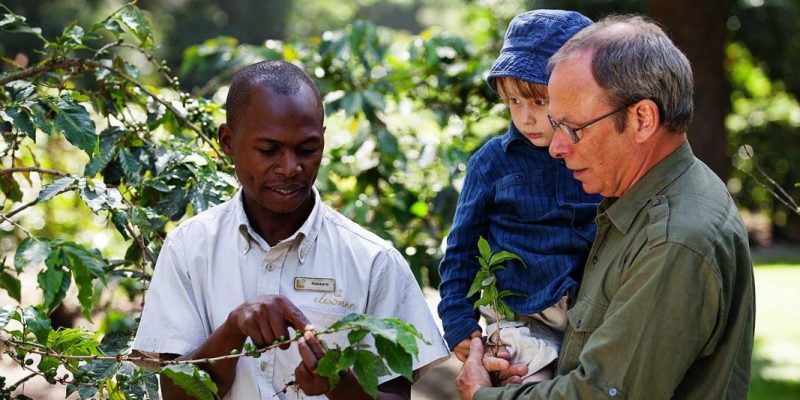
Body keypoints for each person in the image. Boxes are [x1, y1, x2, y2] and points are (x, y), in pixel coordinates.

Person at [457, 15, 755, 399]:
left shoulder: (674, 241)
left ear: (642, 119)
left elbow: (600, 393)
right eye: (554, 124)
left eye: (572, 128)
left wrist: (480, 395)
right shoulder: (638, 196)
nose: (555, 147)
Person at [132, 60, 449, 399]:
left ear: (323, 141)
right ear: (227, 141)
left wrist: (338, 385)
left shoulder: (374, 262)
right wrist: (232, 330)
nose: (290, 168)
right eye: (268, 150)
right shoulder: (189, 250)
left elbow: (397, 395)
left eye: (307, 149)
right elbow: (175, 395)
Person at [437, 9, 600, 383]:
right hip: (520, 318)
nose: (524, 117)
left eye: (539, 102)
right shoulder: (493, 162)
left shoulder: (596, 155)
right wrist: (459, 322)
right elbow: (460, 249)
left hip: (588, 316)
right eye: (513, 102)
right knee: (528, 384)